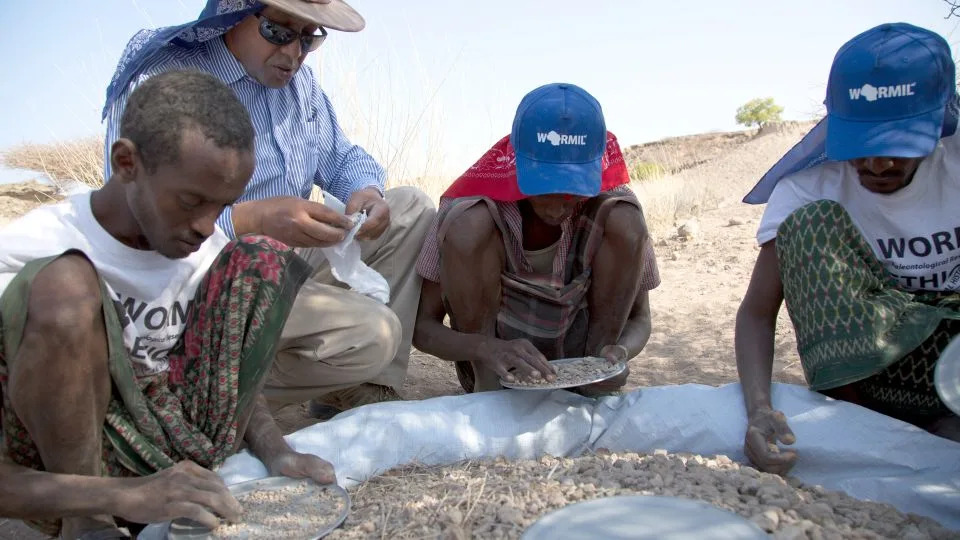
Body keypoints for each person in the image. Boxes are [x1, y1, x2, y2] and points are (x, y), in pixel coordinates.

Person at [0, 70, 334, 539]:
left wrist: (276, 451)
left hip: (183, 447)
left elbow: (226, 371)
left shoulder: (204, 248)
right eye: (191, 201)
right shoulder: (27, 248)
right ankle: (86, 523)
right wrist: (118, 497)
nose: (205, 225)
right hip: (74, 468)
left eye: (221, 206)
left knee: (260, 258)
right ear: (126, 163)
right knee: (66, 284)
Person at [101, 0, 436, 419]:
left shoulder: (302, 88)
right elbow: (138, 216)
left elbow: (342, 157)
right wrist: (251, 220)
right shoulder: (167, 78)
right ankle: (197, 397)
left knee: (410, 208)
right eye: (279, 31)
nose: (294, 53)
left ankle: (357, 387)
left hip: (282, 264)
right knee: (372, 333)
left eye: (309, 38)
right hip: (191, 280)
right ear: (233, 15)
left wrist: (364, 192)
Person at [736, 22, 960, 475]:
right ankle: (866, 417)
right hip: (873, 370)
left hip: (953, 352)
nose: (878, 164)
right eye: (862, 145)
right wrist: (759, 409)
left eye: (899, 147)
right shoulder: (807, 191)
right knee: (809, 226)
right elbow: (757, 313)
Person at [412, 83, 660, 394]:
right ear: (519, 163)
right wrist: (485, 349)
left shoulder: (615, 208)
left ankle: (593, 378)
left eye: (573, 191)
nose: (558, 207)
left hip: (581, 358)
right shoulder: (469, 208)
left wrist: (618, 354)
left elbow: (641, 319)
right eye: (543, 188)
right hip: (496, 365)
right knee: (467, 224)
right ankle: (489, 392)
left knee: (626, 218)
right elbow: (422, 329)